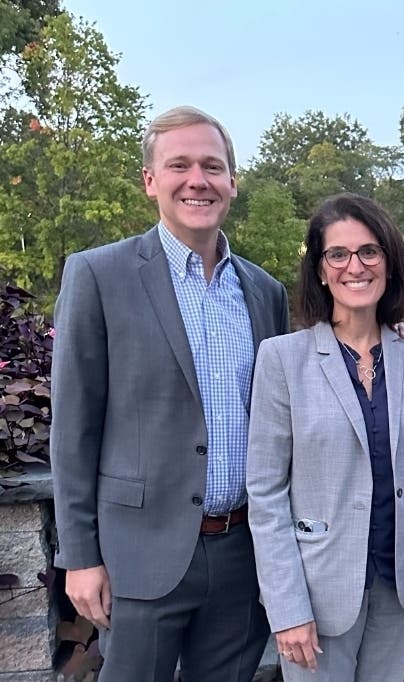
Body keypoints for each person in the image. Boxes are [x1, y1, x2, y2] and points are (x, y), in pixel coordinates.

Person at [50, 106, 290, 681]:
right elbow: (74, 428)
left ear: (232, 181)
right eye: (178, 165)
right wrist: (80, 557)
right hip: (140, 555)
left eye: (213, 166)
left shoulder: (265, 292)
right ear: (150, 181)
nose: (197, 180)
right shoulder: (98, 275)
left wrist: (388, 329)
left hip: (242, 555)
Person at [245, 193, 404, 681]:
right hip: (316, 594)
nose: (354, 266)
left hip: (397, 588)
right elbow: (266, 494)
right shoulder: (282, 359)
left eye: (369, 251)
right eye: (337, 254)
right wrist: (287, 607)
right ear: (320, 269)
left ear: (390, 263)